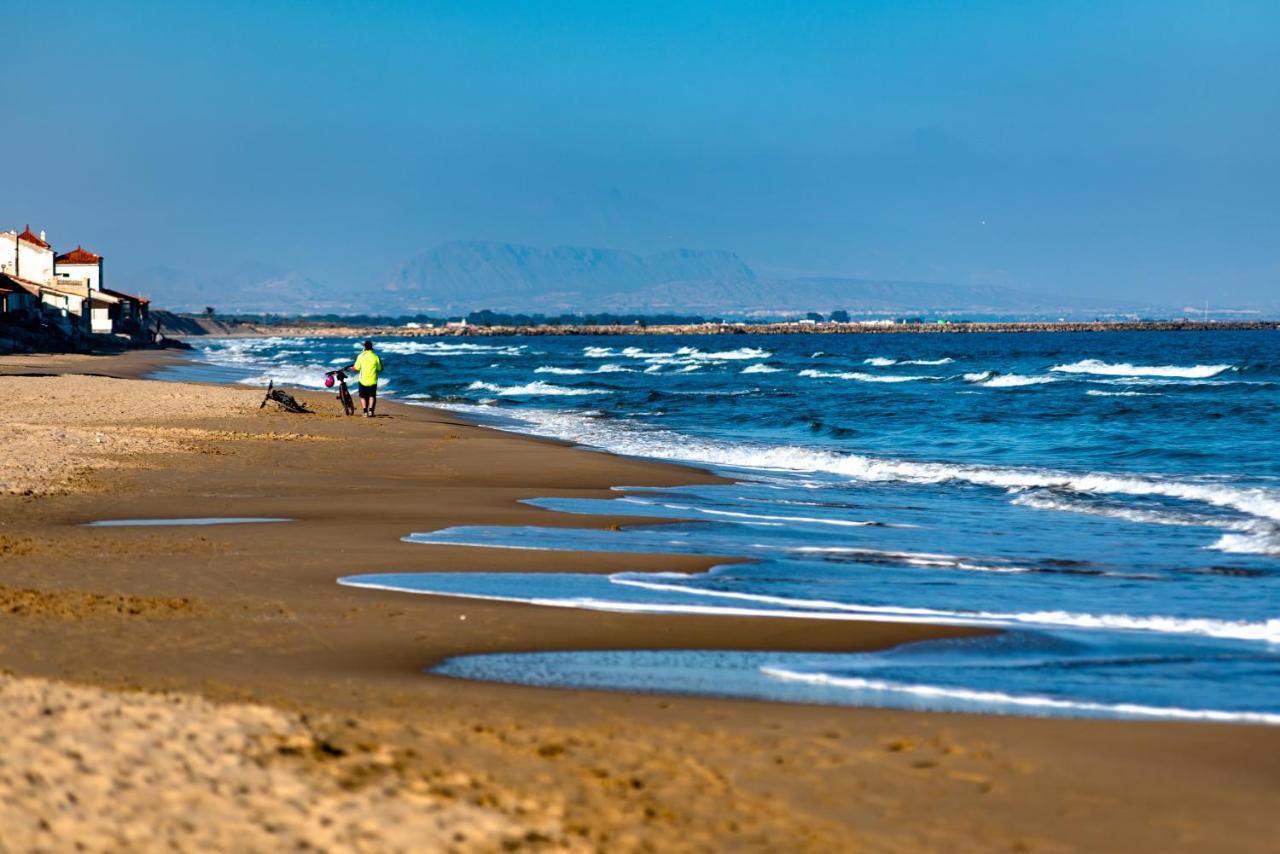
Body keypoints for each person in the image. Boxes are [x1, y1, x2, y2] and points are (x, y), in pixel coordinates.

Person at [339, 340, 383, 417]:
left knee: (363, 396)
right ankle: (371, 412)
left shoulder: (361, 356)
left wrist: (350, 368)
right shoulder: (376, 356)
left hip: (363, 380)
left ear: (364, 347)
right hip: (373, 380)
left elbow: (356, 368)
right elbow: (380, 369)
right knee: (372, 396)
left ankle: (365, 412)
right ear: (372, 347)